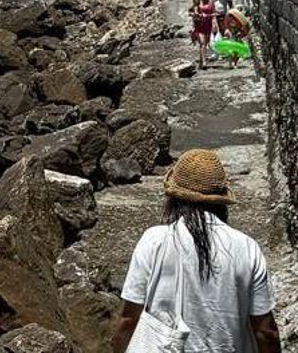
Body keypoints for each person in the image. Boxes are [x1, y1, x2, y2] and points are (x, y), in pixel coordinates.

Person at [112, 149, 281, 353]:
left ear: (174, 198)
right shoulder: (247, 248)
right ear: (221, 201)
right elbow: (266, 332)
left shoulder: (154, 241)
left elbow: (128, 320)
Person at [188, 0, 216, 69]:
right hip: (199, 25)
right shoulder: (197, 0)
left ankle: (201, 61)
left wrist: (211, 18)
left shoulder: (210, 1)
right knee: (202, 43)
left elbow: (214, 13)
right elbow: (190, 11)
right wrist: (195, 15)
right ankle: (204, 63)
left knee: (205, 43)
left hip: (208, 25)